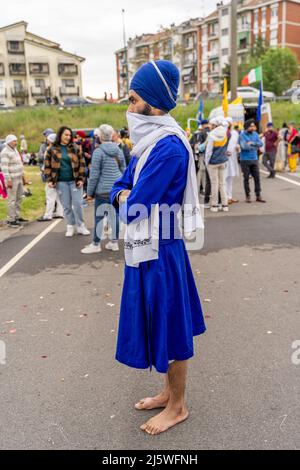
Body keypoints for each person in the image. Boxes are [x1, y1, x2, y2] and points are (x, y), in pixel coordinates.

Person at [110, 60, 206, 435]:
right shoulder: (149, 145)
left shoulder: (166, 148)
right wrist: (124, 192)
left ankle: (178, 406)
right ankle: (169, 392)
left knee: (173, 327)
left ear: (152, 101)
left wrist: (123, 194)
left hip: (161, 250)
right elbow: (122, 185)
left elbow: (134, 206)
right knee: (162, 323)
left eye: (133, 100)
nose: (129, 108)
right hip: (148, 247)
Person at [81, 125, 126, 254]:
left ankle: (96, 244)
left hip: (102, 189)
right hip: (117, 188)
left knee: (100, 217)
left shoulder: (98, 152)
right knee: (115, 216)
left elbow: (94, 175)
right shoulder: (118, 150)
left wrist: (89, 193)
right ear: (112, 135)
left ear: (100, 136)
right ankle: (114, 243)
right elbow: (123, 169)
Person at [44, 126, 90, 237]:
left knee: (78, 204)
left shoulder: (75, 147)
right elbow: (47, 166)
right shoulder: (52, 149)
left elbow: (82, 164)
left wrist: (81, 179)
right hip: (60, 182)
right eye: (66, 135)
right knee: (66, 206)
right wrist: (49, 180)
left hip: (74, 181)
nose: (68, 137)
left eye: (70, 135)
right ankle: (70, 226)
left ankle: (81, 226)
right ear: (60, 135)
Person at [0, 135, 27, 227]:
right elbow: (4, 168)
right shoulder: (5, 152)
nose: (16, 143)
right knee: (12, 199)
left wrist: (23, 177)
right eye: (14, 141)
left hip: (19, 177)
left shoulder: (14, 150)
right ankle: (11, 219)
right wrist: (8, 180)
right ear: (8, 142)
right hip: (12, 179)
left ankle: (17, 216)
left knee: (19, 197)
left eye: (16, 141)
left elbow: (19, 163)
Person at [38, 133, 64, 222]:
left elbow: (49, 164)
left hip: (52, 175)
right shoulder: (60, 148)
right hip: (59, 175)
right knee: (59, 196)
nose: (47, 140)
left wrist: (49, 176)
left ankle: (48, 215)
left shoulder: (50, 150)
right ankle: (60, 212)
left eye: (48, 139)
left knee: (50, 196)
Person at [205, 116, 229, 212]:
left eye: (211, 124)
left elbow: (209, 151)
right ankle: (225, 205)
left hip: (213, 162)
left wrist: (207, 162)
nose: (210, 126)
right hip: (223, 161)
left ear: (215, 125)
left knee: (214, 184)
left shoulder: (211, 135)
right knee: (222, 184)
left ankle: (214, 205)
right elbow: (226, 148)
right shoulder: (225, 134)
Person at [239, 119, 266, 203]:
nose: (253, 127)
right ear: (247, 127)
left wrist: (252, 143)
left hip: (254, 159)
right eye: (251, 126)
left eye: (253, 126)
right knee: (246, 178)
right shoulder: (242, 135)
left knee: (257, 178)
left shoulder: (255, 134)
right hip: (245, 160)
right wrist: (254, 145)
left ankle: (258, 195)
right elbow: (244, 147)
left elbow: (261, 143)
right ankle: (248, 196)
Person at [225, 120, 240, 204]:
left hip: (233, 158)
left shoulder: (235, 133)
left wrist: (238, 147)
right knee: (224, 178)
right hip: (224, 158)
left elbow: (236, 144)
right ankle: (225, 198)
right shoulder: (222, 133)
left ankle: (229, 197)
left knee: (230, 178)